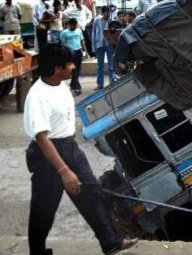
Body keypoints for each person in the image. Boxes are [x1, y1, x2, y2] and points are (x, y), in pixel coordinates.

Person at [23, 43, 137, 255]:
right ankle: (37, 251)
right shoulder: (37, 95)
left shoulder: (60, 84)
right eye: (69, 64)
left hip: (70, 146)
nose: (73, 68)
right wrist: (63, 170)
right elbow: (41, 137)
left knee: (92, 193)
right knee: (44, 208)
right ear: (57, 69)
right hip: (47, 155)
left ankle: (111, 242)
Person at [60, 18, 88, 95]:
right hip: (71, 52)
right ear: (70, 24)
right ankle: (77, 87)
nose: (75, 26)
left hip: (78, 51)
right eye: (73, 25)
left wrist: (85, 51)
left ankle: (73, 84)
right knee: (74, 70)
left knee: (78, 69)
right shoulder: (65, 33)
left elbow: (82, 41)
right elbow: (63, 44)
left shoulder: (79, 31)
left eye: (76, 24)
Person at [92, 6, 115, 89]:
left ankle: (112, 82)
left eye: (109, 12)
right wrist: (93, 47)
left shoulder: (111, 21)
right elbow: (93, 33)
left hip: (109, 45)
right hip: (99, 45)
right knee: (99, 66)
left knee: (111, 65)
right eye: (107, 12)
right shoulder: (97, 21)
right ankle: (100, 84)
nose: (108, 14)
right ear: (103, 12)